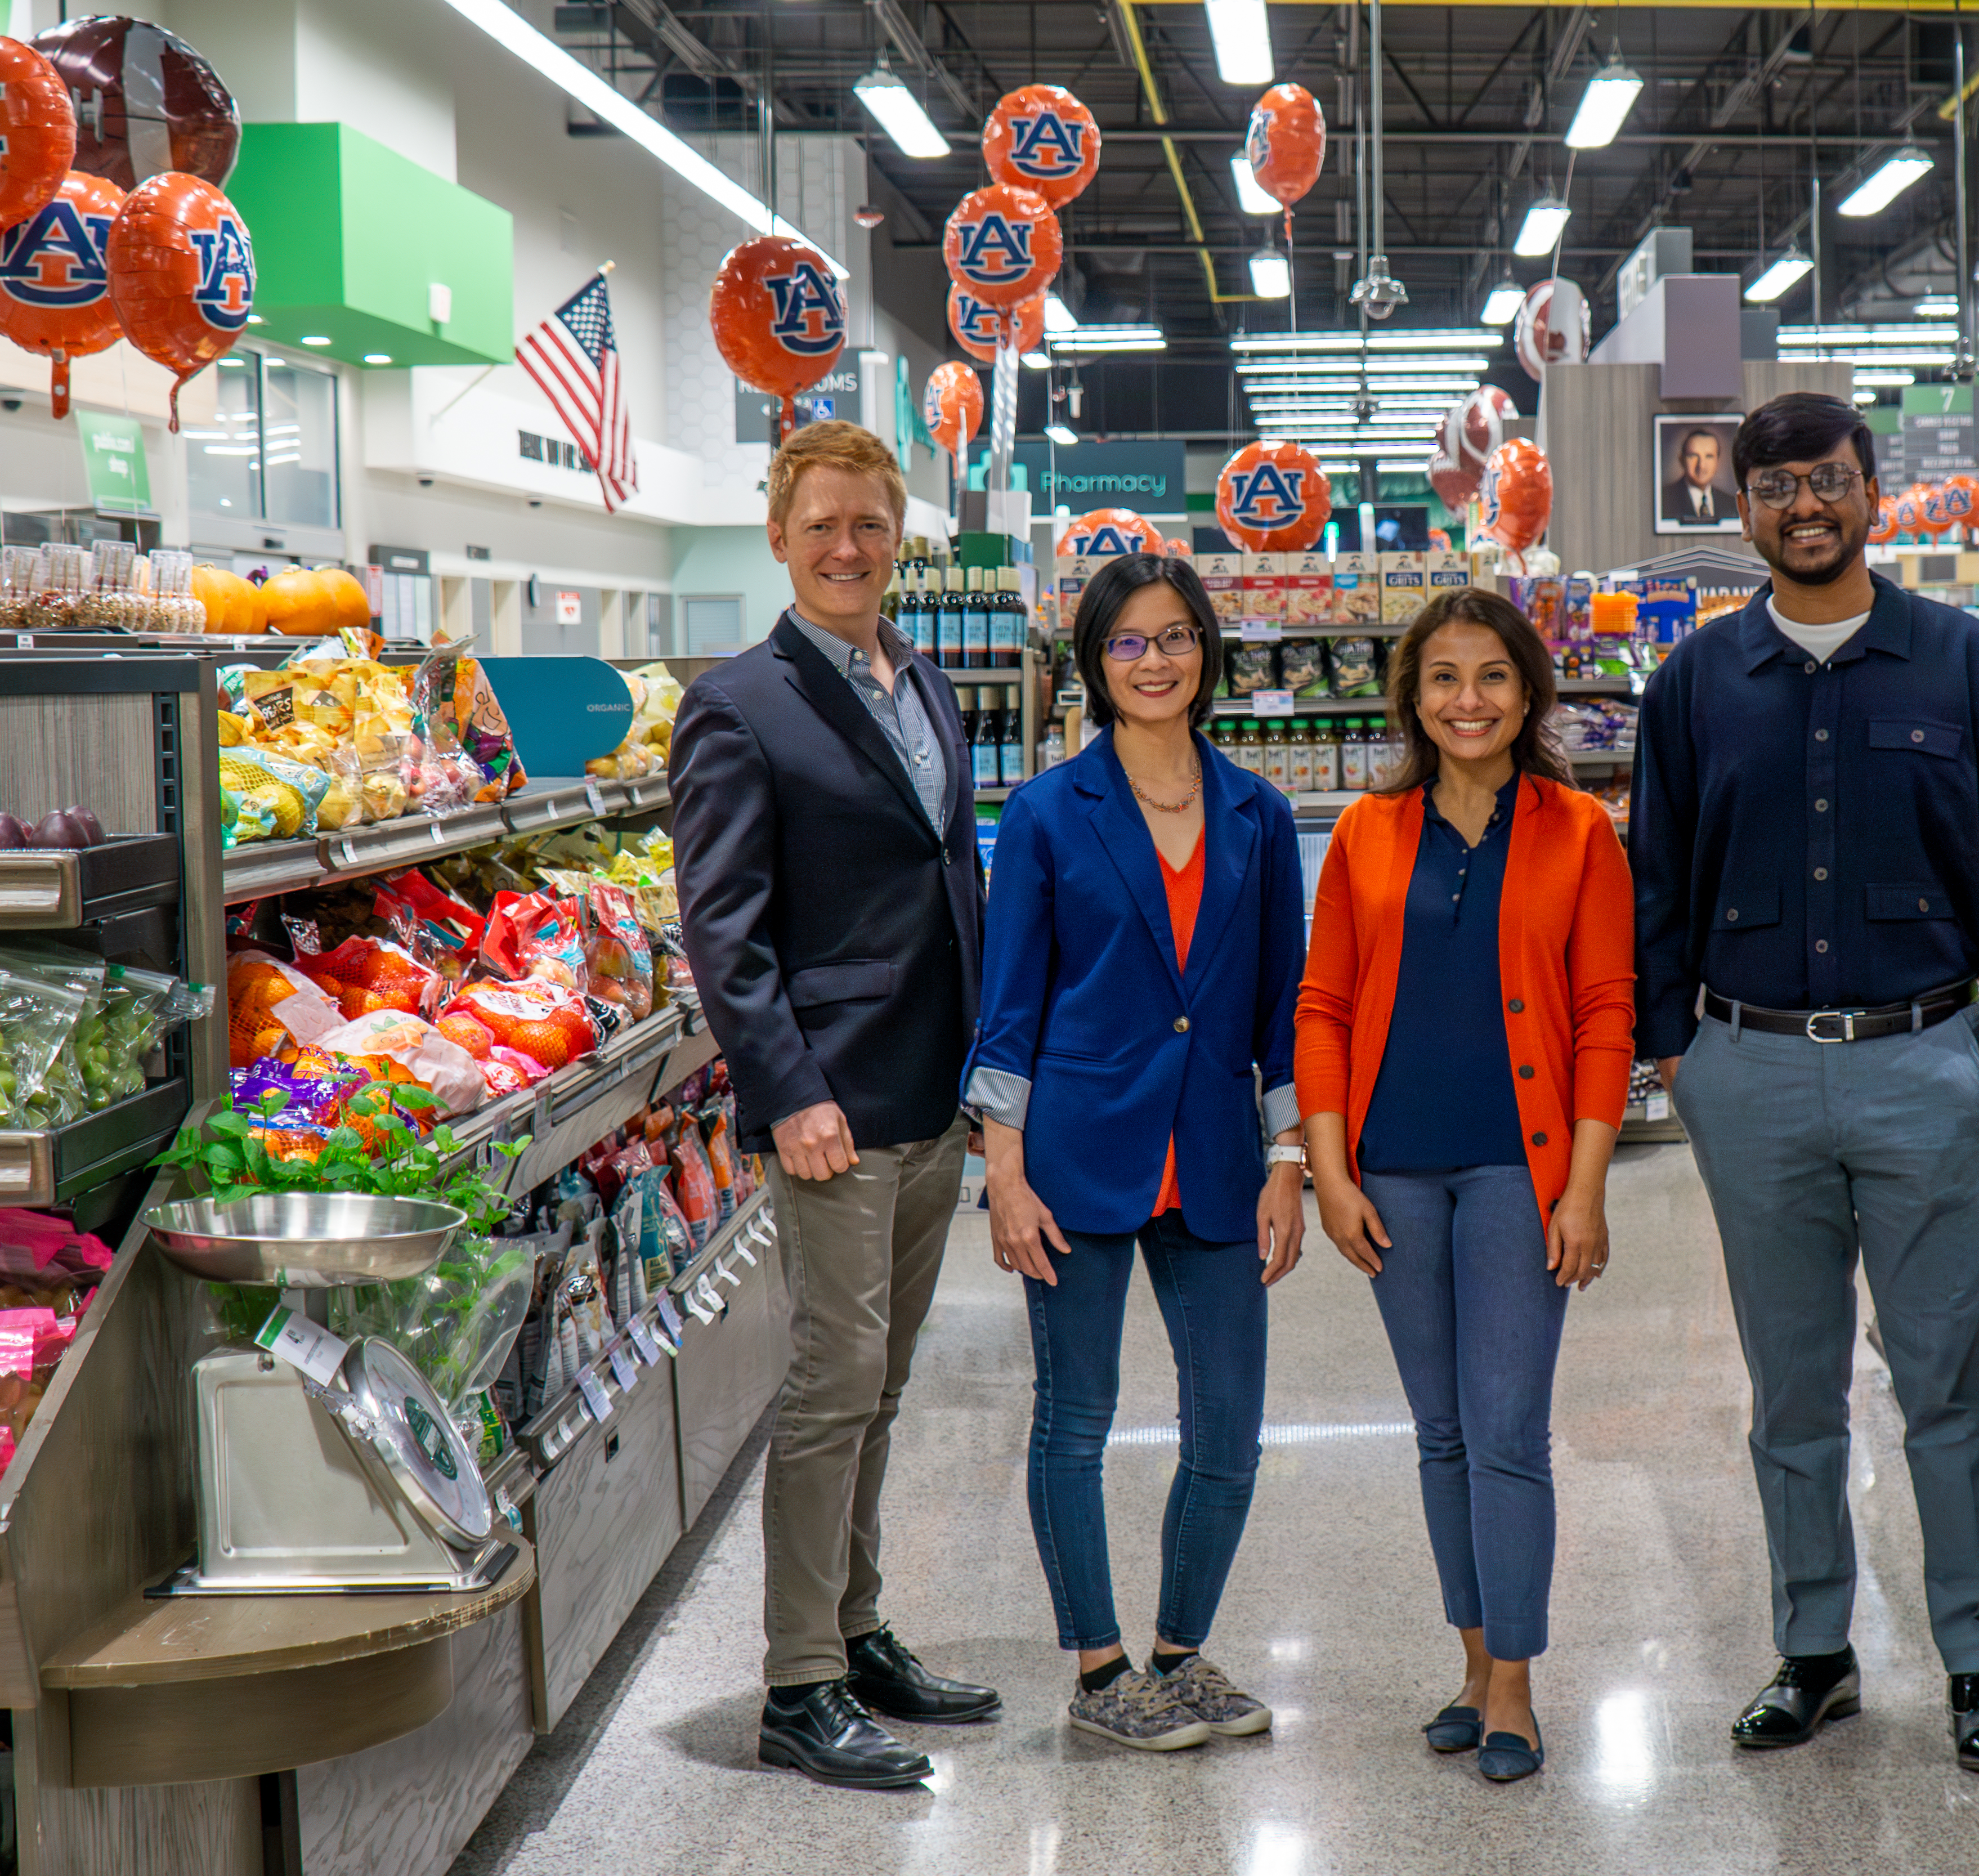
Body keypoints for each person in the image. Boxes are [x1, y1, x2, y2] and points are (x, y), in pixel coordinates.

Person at [1627, 391, 1979, 1775]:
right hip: (1747, 1072)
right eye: (1774, 487)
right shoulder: (1694, 685)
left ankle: (1977, 1665)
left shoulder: (1964, 664)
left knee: (1949, 1384)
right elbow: (1657, 879)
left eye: (1827, 479)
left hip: (1927, 1065)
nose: (1803, 506)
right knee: (1791, 1388)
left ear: (1872, 490)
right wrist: (1673, 1051)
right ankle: (1815, 1651)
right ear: (1739, 508)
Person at [671, 420, 1004, 1789]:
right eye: (822, 525)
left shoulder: (923, 683)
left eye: (869, 523)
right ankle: (798, 1683)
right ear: (778, 535)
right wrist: (783, 1088)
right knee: (828, 1385)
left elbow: (948, 875)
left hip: (931, 1092)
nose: (848, 547)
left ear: (899, 533)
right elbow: (724, 929)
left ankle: (857, 1631)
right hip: (831, 1109)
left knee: (882, 1383)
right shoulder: (739, 703)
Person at [963, 554, 1309, 1754]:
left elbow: (1279, 1012)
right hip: (1075, 1156)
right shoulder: (1053, 810)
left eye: (1174, 638)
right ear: (1093, 664)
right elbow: (1008, 1008)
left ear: (1206, 651)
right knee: (1078, 1418)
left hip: (1215, 1154)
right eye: (1127, 642)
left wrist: (1288, 1160)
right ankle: (1101, 1668)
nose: (1153, 661)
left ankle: (1180, 1651)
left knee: (1229, 1428)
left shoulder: (1260, 813)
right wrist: (1002, 1171)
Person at [1296, 588, 1636, 1786]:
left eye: (1491, 676)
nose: (1468, 700)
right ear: (1413, 698)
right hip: (1393, 1165)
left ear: (1530, 690)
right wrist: (1329, 1172)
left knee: (1504, 1432)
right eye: (1443, 678)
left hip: (1517, 1167)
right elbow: (1324, 1006)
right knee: (1439, 1433)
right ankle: (1471, 1658)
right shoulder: (1364, 833)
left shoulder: (1580, 829)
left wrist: (1584, 1189)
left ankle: (1517, 1684)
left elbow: (1605, 1016)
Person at [1663, 425, 1727, 527]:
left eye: (1709, 456)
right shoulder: (1664, 500)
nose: (1701, 465)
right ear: (1682, 460)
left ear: (1718, 462)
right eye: (1693, 456)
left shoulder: (1731, 503)